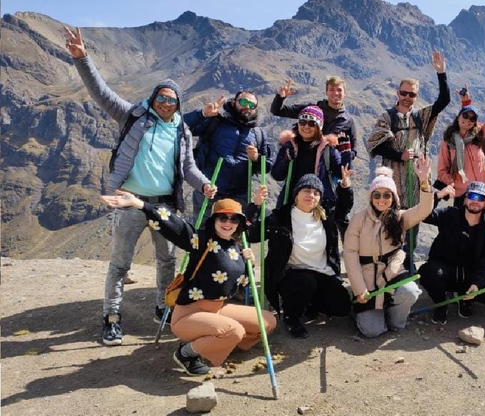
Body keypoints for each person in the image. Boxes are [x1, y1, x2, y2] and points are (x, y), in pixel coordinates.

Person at [64, 26, 215, 346]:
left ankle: (161, 306)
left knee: (167, 260)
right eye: (161, 97)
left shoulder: (182, 131)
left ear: (178, 103)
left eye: (172, 100)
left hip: (164, 204)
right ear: (154, 98)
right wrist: (82, 60)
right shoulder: (133, 115)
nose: (166, 103)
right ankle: (111, 316)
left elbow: (188, 168)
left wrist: (203, 185)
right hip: (130, 200)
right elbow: (101, 93)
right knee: (121, 262)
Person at [99, 192, 276, 375]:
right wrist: (139, 203)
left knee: (267, 321)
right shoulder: (200, 240)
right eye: (223, 217)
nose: (228, 223)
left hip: (217, 310)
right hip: (189, 315)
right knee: (235, 331)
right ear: (214, 219)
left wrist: (250, 264)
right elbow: (173, 225)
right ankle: (187, 354)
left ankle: (215, 343)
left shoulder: (236, 248)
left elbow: (241, 284)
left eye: (234, 219)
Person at [366, 52, 450, 270]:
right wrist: (399, 155)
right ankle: (386, 267)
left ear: (416, 96)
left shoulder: (420, 117)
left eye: (412, 94)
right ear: (398, 93)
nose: (407, 97)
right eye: (404, 93)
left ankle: (408, 265)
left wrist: (441, 73)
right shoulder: (387, 117)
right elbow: (374, 144)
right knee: (390, 224)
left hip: (416, 182)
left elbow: (444, 101)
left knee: (413, 224)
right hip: (394, 184)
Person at [255, 170, 354, 338]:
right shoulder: (280, 218)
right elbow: (253, 234)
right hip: (292, 274)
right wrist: (256, 206)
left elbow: (343, 208)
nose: (311, 195)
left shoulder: (324, 216)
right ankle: (291, 317)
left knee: (342, 306)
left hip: (322, 272)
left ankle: (308, 303)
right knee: (305, 282)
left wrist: (345, 187)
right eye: (306, 191)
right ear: (296, 194)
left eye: (316, 193)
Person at [343, 157, 434, 338]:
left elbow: (423, 210)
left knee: (409, 292)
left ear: (393, 197)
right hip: (367, 275)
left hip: (392, 270)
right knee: (372, 331)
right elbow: (350, 254)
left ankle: (394, 320)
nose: (382, 199)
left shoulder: (400, 217)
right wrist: (360, 288)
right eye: (377, 195)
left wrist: (424, 182)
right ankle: (363, 309)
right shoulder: (358, 220)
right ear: (371, 197)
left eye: (387, 195)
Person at [419, 182, 485, 324]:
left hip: (469, 275)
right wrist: (437, 196)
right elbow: (424, 215)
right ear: (464, 199)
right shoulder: (450, 215)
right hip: (445, 271)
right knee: (429, 273)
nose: (475, 201)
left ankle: (465, 297)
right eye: (472, 196)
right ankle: (441, 304)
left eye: (481, 198)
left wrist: (477, 284)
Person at [184, 91, 273, 213]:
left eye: (252, 105)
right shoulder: (215, 122)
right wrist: (202, 114)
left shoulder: (259, 134)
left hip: (239, 195)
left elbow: (266, 166)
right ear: (233, 102)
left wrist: (256, 158)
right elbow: (181, 127)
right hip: (209, 189)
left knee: (234, 230)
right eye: (243, 102)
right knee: (204, 230)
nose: (247, 107)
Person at [271, 105, 351, 212]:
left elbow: (343, 173)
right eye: (302, 122)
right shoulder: (289, 146)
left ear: (319, 126)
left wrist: (346, 153)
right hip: (291, 204)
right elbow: (277, 175)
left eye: (312, 123)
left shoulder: (327, 148)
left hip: (320, 206)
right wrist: (286, 159)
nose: (306, 127)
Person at [271, 75, 357, 161]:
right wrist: (280, 97)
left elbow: (354, 150)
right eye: (331, 90)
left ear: (345, 92)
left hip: (329, 166)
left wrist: (344, 154)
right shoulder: (311, 110)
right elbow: (277, 111)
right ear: (326, 92)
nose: (336, 93)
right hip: (304, 161)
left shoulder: (347, 121)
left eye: (339, 90)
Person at [436, 105, 485, 207]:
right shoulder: (449, 140)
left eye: (472, 118)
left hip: (484, 193)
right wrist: (454, 183)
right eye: (465, 116)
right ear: (458, 116)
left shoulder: (480, 135)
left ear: (475, 122)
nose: (468, 120)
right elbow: (442, 171)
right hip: (463, 195)